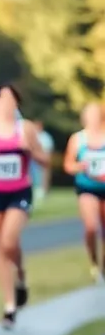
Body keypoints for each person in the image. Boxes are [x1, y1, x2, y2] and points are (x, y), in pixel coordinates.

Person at [0, 82, 49, 328]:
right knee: (1, 248)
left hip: (19, 191)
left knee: (9, 241)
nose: (7, 104)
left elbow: (46, 160)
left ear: (17, 103)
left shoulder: (25, 128)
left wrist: (29, 150)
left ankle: (20, 273)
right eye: (2, 99)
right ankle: (10, 306)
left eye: (12, 99)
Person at [64, 102, 105, 282]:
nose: (93, 119)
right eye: (90, 115)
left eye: (96, 115)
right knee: (91, 226)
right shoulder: (77, 139)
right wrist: (79, 166)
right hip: (86, 187)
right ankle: (94, 262)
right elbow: (68, 164)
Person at [30, 120, 55, 206]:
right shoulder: (32, 136)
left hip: (42, 160)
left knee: (43, 177)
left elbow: (48, 152)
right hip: (32, 161)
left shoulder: (45, 137)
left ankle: (43, 192)